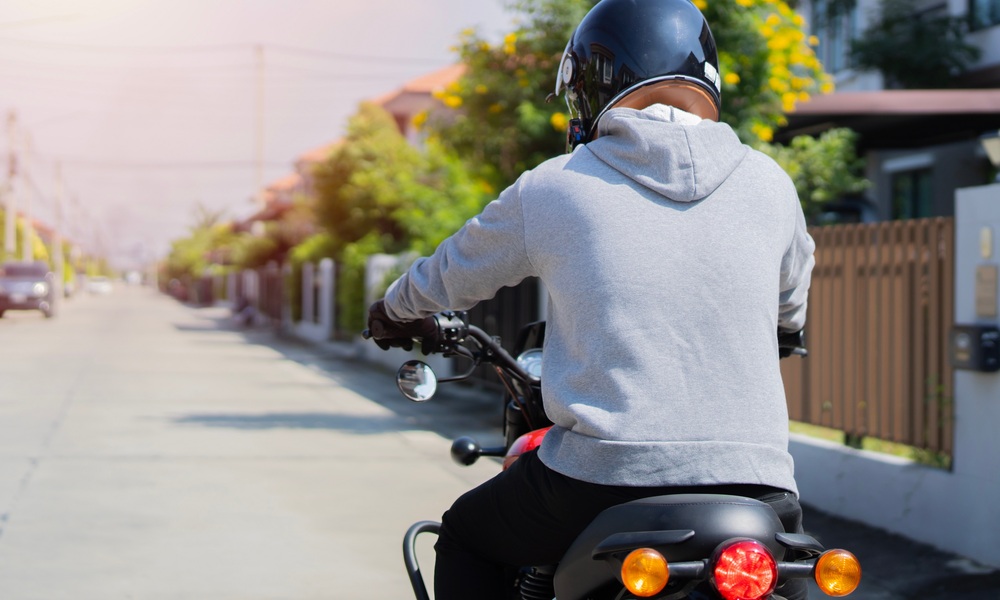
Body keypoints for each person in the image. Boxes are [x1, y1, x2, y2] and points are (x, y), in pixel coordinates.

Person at [366, 0, 816, 598]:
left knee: (468, 533)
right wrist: (782, 330)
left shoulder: (557, 185)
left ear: (589, 84)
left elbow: (452, 272)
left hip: (603, 477)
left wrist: (394, 309)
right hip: (759, 483)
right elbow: (793, 305)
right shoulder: (771, 184)